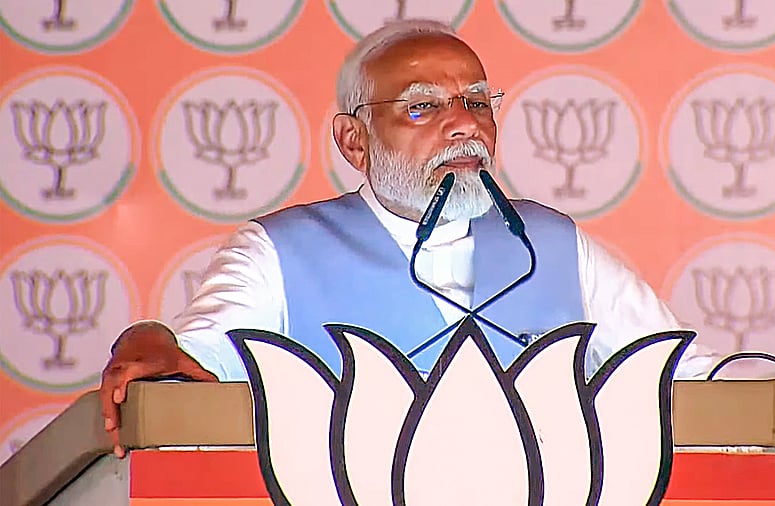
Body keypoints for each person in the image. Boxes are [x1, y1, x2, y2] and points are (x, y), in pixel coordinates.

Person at [100, 19, 718, 458]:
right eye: (423, 107)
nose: (463, 125)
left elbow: (684, 380)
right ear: (354, 141)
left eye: (477, 102)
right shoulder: (279, 251)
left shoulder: (558, 244)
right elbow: (192, 365)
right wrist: (147, 340)